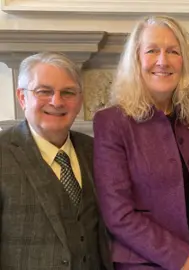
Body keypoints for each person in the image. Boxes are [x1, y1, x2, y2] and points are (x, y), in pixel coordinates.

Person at [92, 15, 189, 270]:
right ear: (136, 58)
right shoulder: (112, 122)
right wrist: (183, 258)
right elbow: (117, 214)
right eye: (152, 50)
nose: (163, 61)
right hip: (142, 263)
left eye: (173, 51)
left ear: (185, 61)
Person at [0, 52, 112, 269]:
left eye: (68, 92)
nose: (57, 101)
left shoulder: (97, 151)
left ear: (80, 100)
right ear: (22, 97)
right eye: (44, 91)